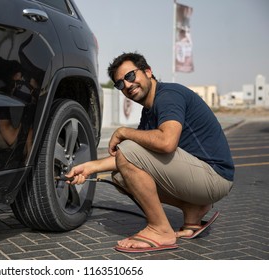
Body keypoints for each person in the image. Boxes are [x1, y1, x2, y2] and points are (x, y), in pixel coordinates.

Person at [66, 52, 234, 253]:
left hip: (213, 177)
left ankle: (160, 229)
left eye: (130, 76)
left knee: (128, 147)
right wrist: (89, 168)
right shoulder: (149, 112)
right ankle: (193, 210)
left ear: (148, 71)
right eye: (120, 84)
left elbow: (166, 143)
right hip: (201, 178)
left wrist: (123, 132)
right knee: (120, 176)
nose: (127, 85)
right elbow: (131, 158)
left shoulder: (168, 96)